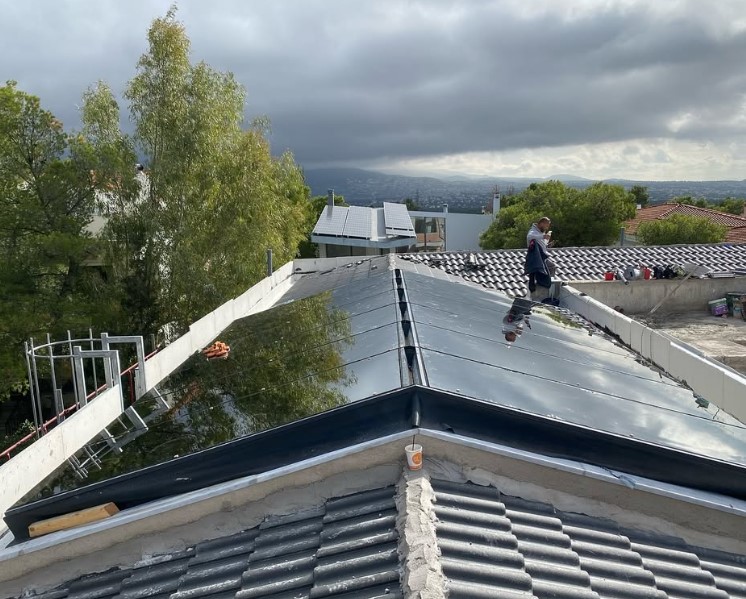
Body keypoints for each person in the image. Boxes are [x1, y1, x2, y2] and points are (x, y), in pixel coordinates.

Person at [524, 217, 554, 299]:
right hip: (538, 258)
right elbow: (530, 237)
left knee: (550, 268)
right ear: (541, 223)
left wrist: (547, 244)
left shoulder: (539, 233)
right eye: (546, 226)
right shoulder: (533, 231)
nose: (546, 228)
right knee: (544, 275)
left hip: (542, 257)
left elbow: (541, 243)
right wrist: (544, 236)